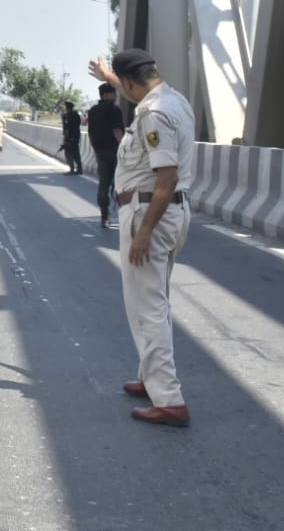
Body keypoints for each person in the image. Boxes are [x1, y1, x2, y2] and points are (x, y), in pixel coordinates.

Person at [88, 48, 194, 428]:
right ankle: (152, 378)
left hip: (149, 212)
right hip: (171, 212)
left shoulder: (153, 114)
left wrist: (143, 232)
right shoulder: (172, 99)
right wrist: (108, 77)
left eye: (122, 84)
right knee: (155, 301)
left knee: (147, 308)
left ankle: (168, 398)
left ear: (132, 82)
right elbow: (137, 93)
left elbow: (165, 177)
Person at [86, 83, 127, 229]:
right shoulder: (114, 109)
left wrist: (96, 152)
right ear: (106, 95)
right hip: (115, 151)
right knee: (122, 185)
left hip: (101, 152)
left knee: (103, 184)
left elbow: (90, 134)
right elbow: (117, 131)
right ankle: (126, 218)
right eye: (113, 93)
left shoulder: (92, 111)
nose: (116, 96)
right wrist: (124, 149)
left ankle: (105, 217)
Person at [61, 99, 83, 174]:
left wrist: (64, 140)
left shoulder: (67, 116)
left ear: (67, 107)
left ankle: (72, 169)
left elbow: (67, 129)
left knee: (69, 153)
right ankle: (79, 169)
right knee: (76, 152)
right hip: (76, 136)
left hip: (69, 137)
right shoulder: (77, 115)